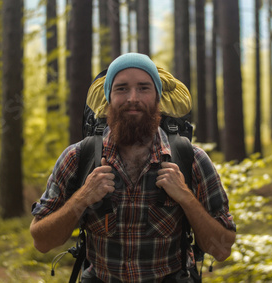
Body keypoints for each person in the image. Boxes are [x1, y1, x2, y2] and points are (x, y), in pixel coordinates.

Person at [30, 53, 236, 283]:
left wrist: (186, 198)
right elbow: (42, 242)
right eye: (121, 89)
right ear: (108, 98)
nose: (133, 98)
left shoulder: (191, 159)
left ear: (158, 98)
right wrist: (82, 198)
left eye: (144, 88)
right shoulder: (78, 157)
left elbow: (222, 249)